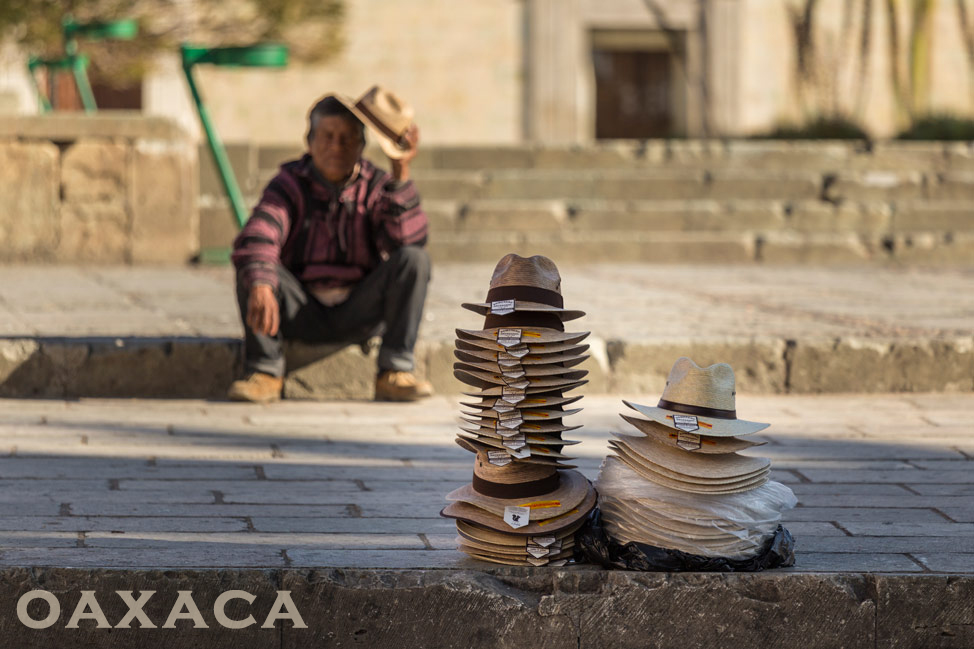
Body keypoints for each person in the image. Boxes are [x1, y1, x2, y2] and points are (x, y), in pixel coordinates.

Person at [228, 86, 433, 403]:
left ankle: (395, 370)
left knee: (415, 260)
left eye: (347, 138)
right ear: (309, 142)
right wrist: (262, 282)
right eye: (327, 136)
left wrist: (400, 173)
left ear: (362, 145)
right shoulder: (289, 184)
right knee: (255, 265)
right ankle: (265, 370)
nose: (337, 146)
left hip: (359, 311)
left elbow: (408, 242)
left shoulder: (378, 185)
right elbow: (260, 232)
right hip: (301, 308)